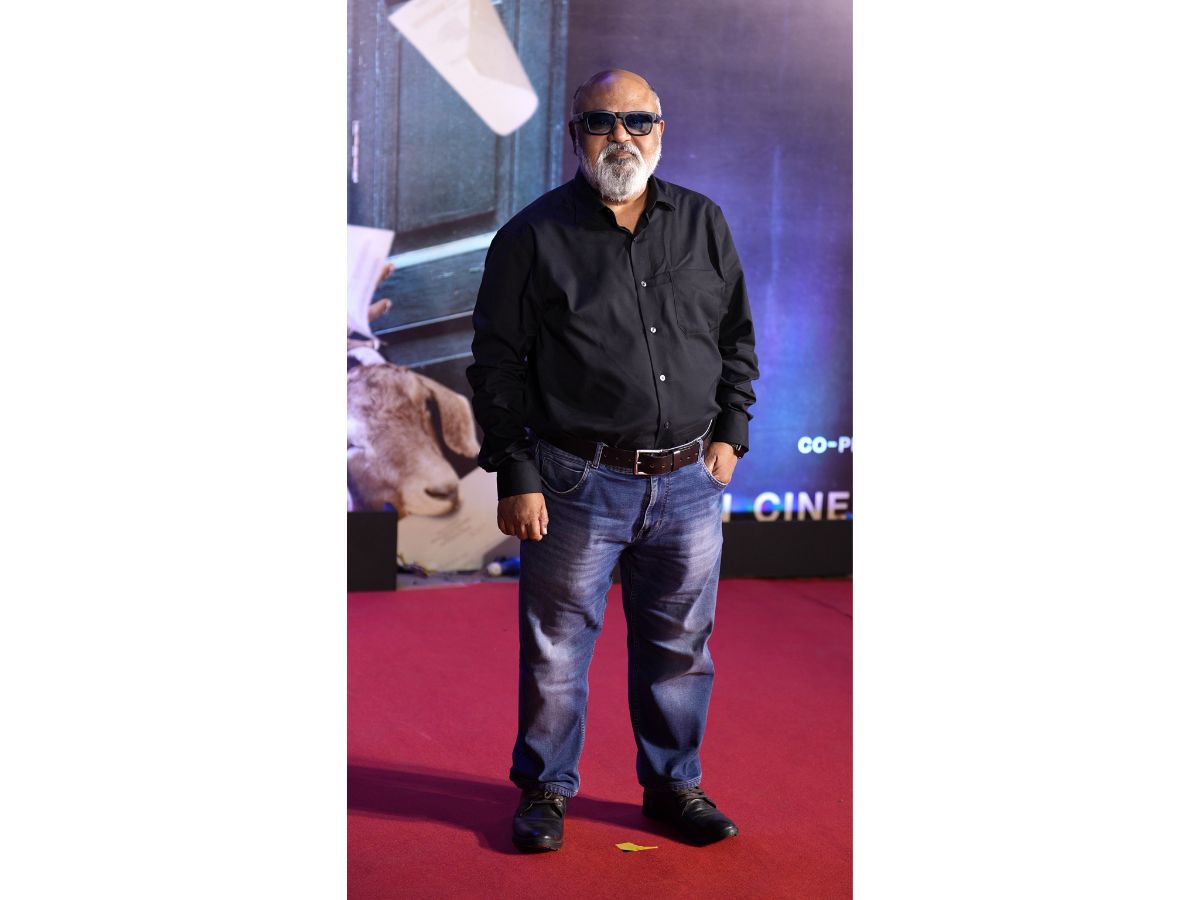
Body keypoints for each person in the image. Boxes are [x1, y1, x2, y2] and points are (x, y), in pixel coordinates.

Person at [466, 68, 759, 852]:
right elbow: (497, 367)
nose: (620, 136)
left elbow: (734, 337)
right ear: (576, 136)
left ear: (661, 131)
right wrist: (516, 473)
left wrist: (730, 434)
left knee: (680, 651)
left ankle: (673, 786)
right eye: (602, 122)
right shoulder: (531, 237)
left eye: (637, 121)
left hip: (690, 481)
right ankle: (545, 791)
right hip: (573, 482)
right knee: (556, 652)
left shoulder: (702, 222)